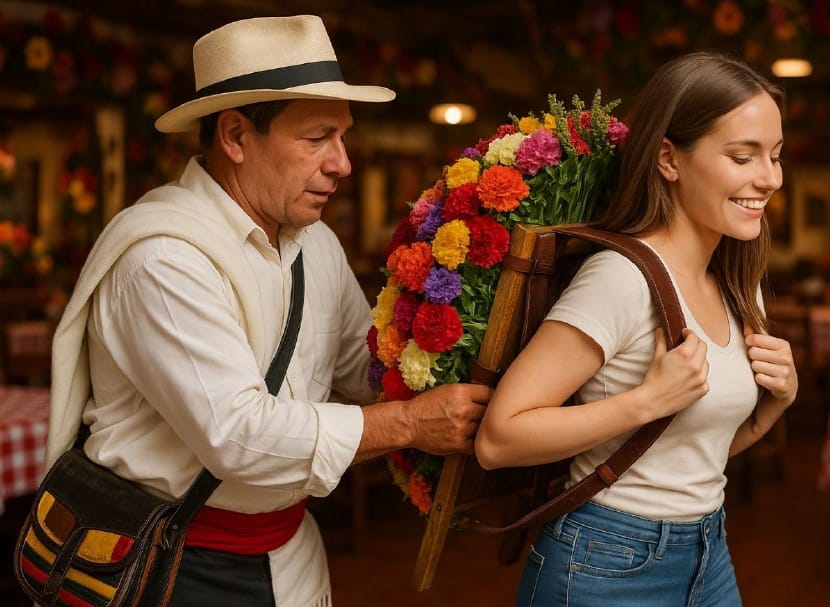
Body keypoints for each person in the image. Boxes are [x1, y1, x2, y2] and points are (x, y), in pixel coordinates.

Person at [44, 15, 490, 607]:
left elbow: (364, 371)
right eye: (317, 137)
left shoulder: (317, 244)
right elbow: (237, 435)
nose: (342, 163)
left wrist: (475, 347)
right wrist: (408, 423)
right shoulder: (162, 258)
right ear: (235, 136)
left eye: (342, 136)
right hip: (170, 568)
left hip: (293, 559)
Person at [475, 51, 797, 607]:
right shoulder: (620, 278)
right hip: (604, 561)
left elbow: (694, 457)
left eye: (775, 156)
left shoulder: (737, 284)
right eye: (743, 157)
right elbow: (498, 439)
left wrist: (776, 403)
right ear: (669, 159)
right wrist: (646, 401)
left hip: (708, 553)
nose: (769, 178)